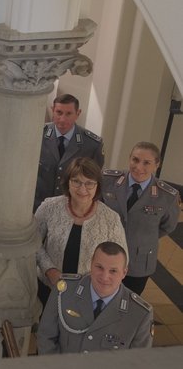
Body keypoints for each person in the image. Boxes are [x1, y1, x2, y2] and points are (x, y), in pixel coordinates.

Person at [35, 157, 127, 307]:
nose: (82, 189)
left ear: (97, 186)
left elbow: (122, 259)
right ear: (68, 182)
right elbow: (33, 243)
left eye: (89, 183)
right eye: (76, 181)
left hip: (89, 293)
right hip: (48, 287)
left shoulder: (111, 219)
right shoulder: (49, 207)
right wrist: (49, 270)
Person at [37, 242, 153, 354]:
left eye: (113, 271)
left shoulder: (140, 314)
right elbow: (46, 337)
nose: (105, 277)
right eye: (99, 267)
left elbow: (138, 361)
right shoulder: (64, 291)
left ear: (124, 272)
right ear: (91, 264)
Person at [100, 142, 179, 295]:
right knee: (100, 296)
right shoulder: (108, 180)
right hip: (105, 254)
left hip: (139, 260)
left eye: (147, 163)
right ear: (129, 159)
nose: (139, 167)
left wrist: (143, 237)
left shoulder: (167, 195)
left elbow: (168, 226)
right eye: (135, 160)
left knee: (129, 303)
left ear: (157, 165)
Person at [35, 94, 105, 211]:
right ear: (53, 110)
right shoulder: (37, 134)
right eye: (59, 112)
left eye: (68, 114)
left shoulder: (92, 145)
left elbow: (94, 183)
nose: (62, 119)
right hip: (36, 207)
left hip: (70, 209)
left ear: (78, 113)